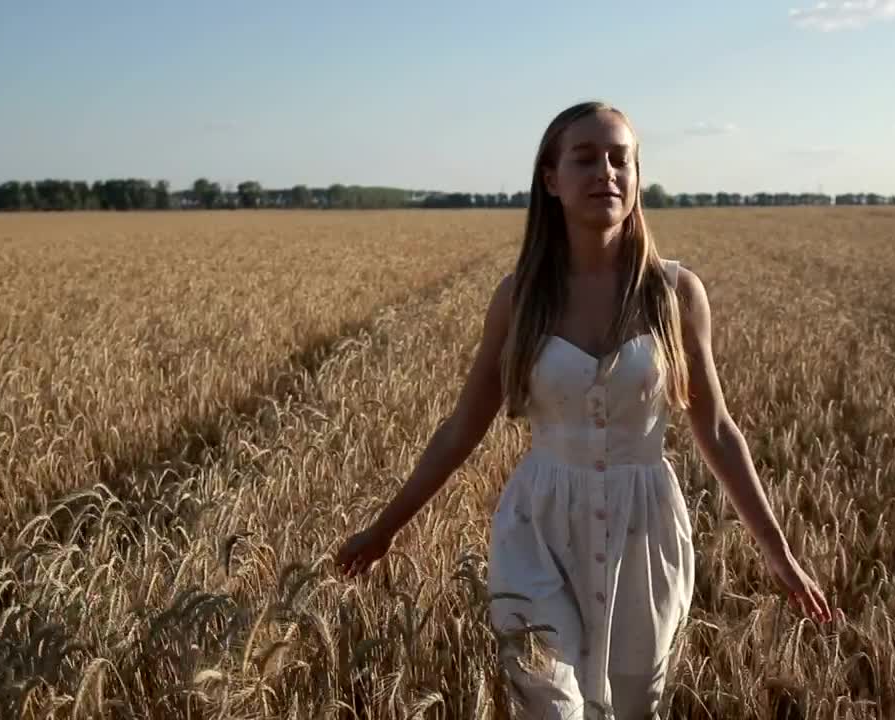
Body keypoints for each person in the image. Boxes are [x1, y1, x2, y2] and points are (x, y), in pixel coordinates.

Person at [335, 100, 833, 718]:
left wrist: (778, 552)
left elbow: (716, 429)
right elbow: (462, 428)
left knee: (635, 705)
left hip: (645, 532)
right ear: (551, 179)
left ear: (637, 176)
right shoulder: (519, 299)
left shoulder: (675, 292)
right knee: (551, 706)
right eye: (586, 158)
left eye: (620, 159)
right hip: (538, 527)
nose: (606, 173)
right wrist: (385, 529)